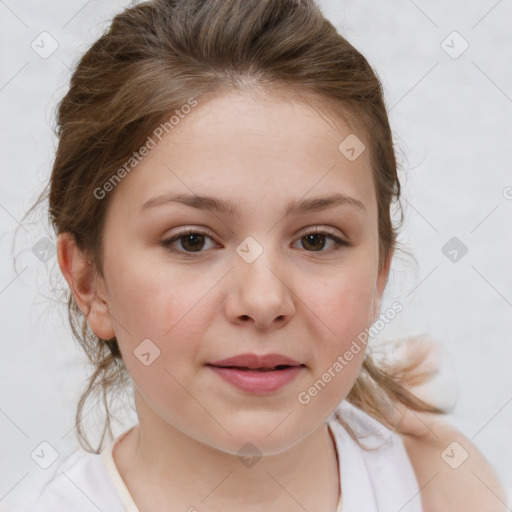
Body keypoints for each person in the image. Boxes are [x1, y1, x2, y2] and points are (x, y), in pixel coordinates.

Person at [18, 0, 506, 510]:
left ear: (380, 272)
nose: (264, 298)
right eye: (192, 240)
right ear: (89, 281)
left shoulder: (444, 485)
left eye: (317, 240)